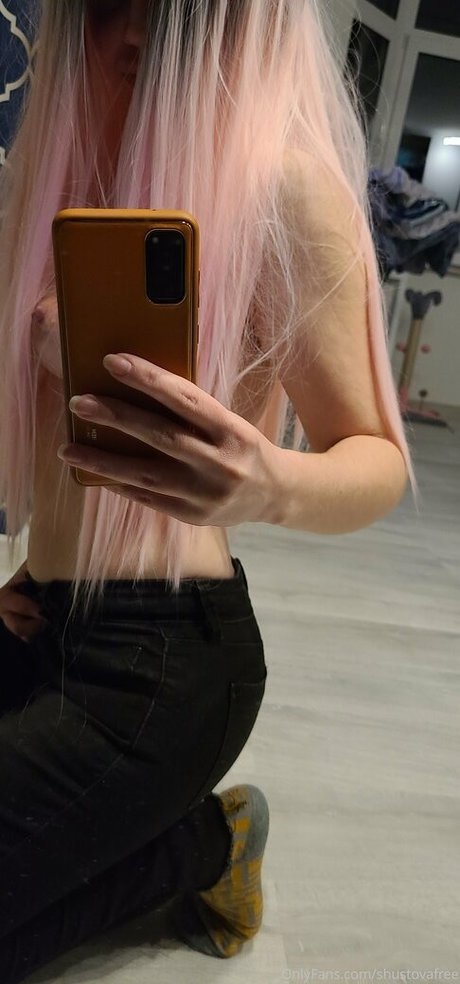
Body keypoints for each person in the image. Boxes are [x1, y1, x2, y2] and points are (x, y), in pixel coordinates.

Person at [0, 1, 418, 980]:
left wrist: (267, 482)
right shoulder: (60, 173)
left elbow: (377, 459)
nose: (128, 38)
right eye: (105, 9)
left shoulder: (281, 187)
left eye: (174, 17)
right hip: (36, 613)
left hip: (156, 670)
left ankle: (208, 846)